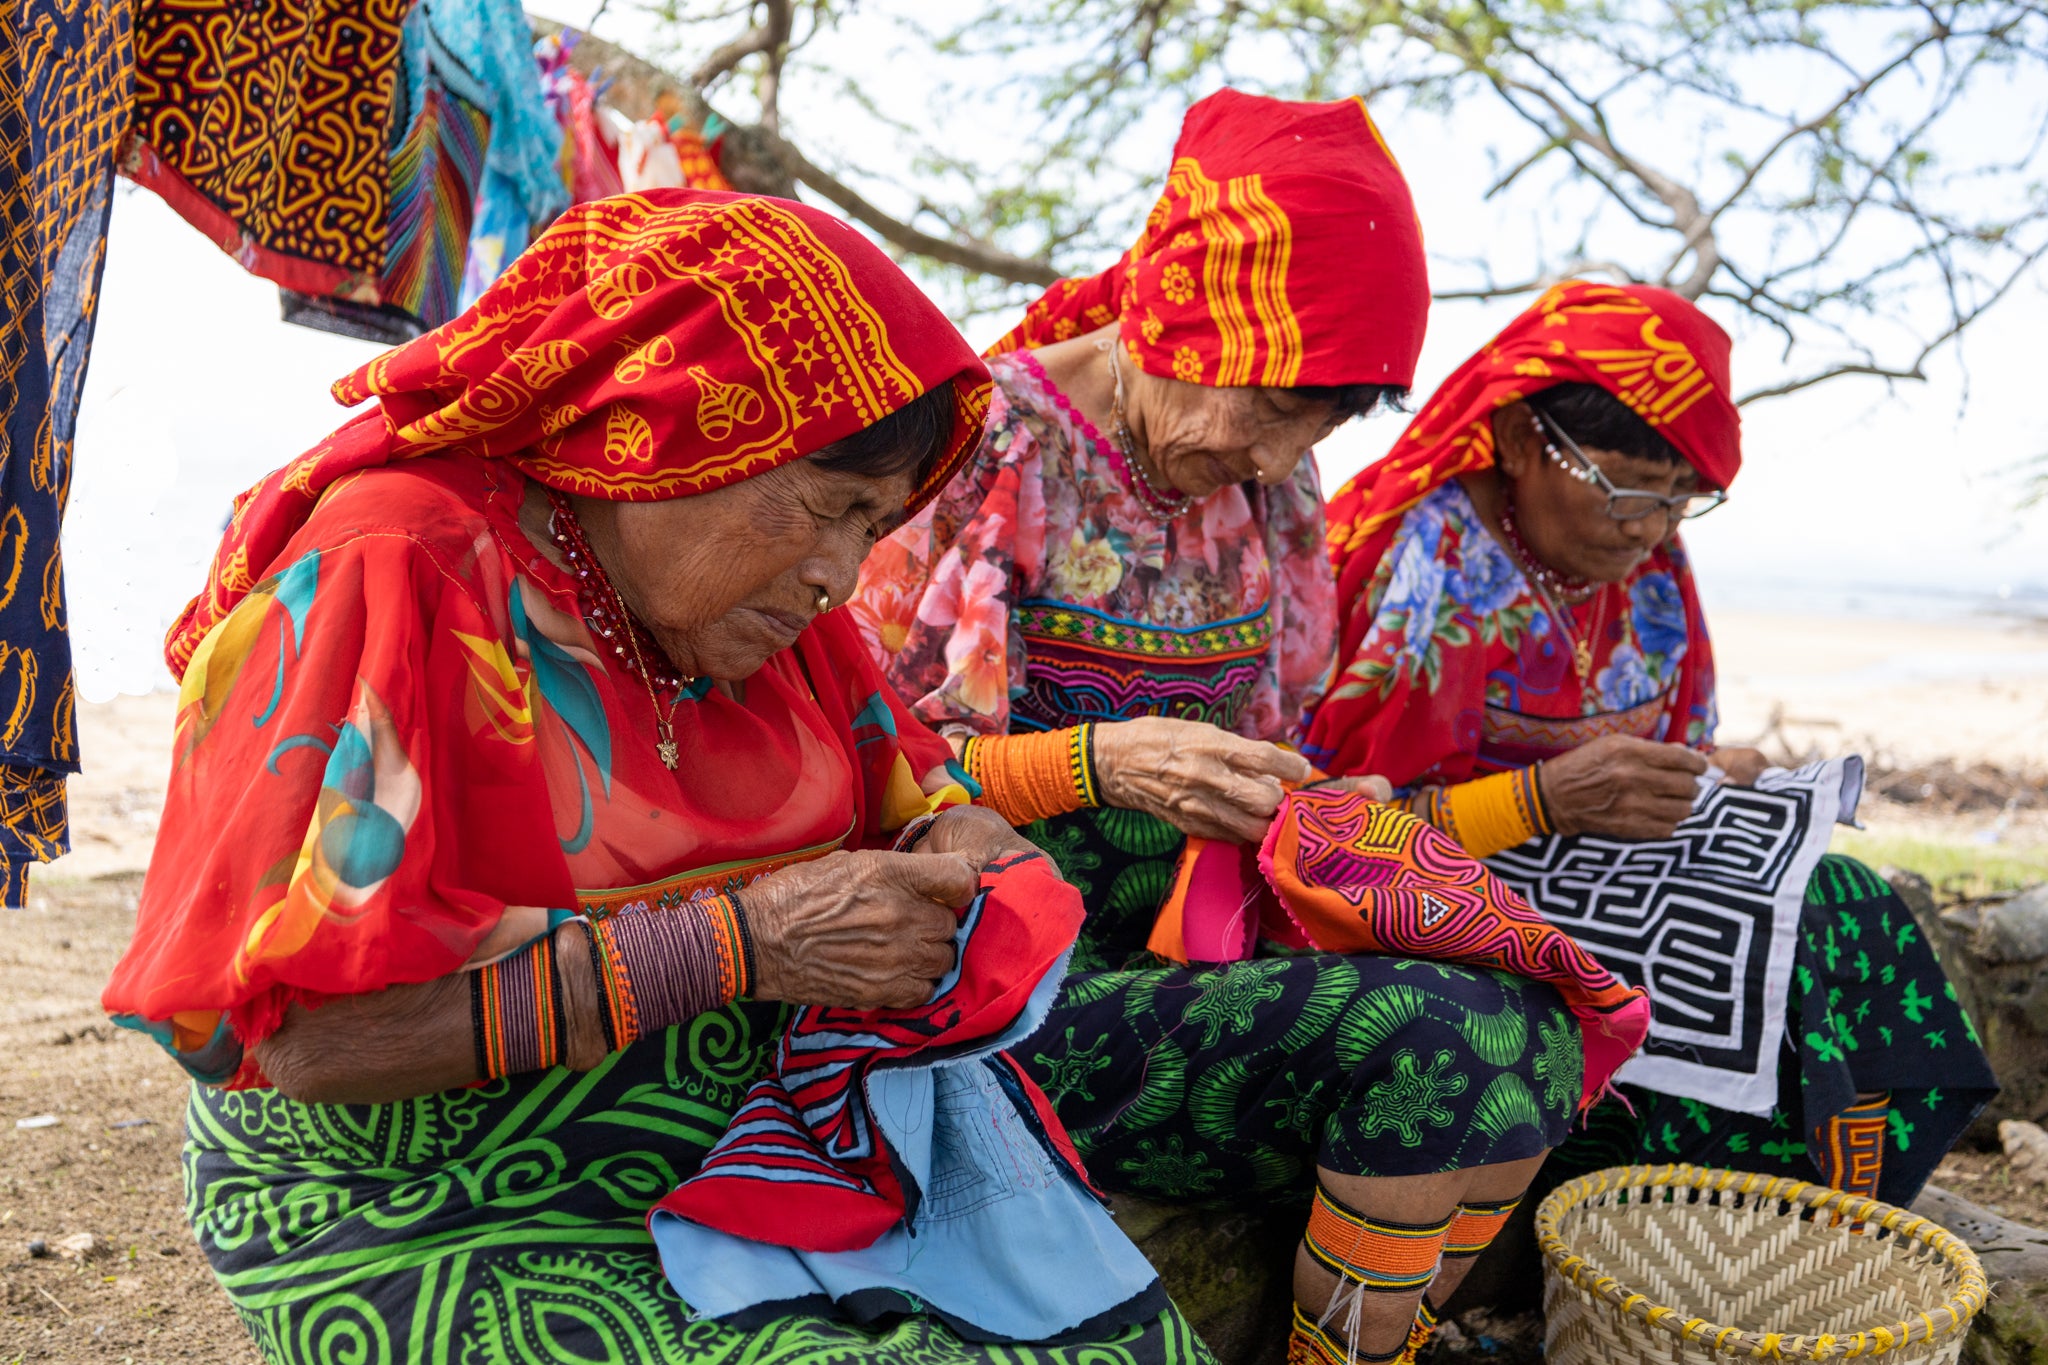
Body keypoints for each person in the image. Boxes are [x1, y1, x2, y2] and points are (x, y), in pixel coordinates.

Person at [101, 191, 1213, 1365]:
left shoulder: (768, 618)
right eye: (826, 511)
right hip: (435, 1193)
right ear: (669, 431)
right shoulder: (396, 570)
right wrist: (738, 947)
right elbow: (307, 1044)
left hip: (739, 1134)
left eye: (872, 524)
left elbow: (928, 794)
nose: (841, 575)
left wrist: (965, 848)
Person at [853, 90, 1585, 1365]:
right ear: (1178, 308)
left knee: (1534, 1012)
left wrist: (1324, 813)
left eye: (1316, 427)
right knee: (1445, 1042)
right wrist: (1103, 760)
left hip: (1180, 941)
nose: (1272, 457)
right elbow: (860, 769)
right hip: (991, 985)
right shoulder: (991, 447)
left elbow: (1275, 745)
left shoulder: (1270, 489)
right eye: (1267, 407)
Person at [1302, 279, 1996, 1206]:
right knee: (1752, 965)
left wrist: (1715, 772)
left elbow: (1679, 738)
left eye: (1680, 499)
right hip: (1447, 890)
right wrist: (1544, 801)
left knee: (1845, 897)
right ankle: (1688, 1220)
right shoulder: (1435, 560)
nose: (1649, 528)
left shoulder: (1652, 564)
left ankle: (1834, 1211)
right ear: (1517, 441)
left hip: (1625, 865)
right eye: (1624, 489)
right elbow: (1333, 835)